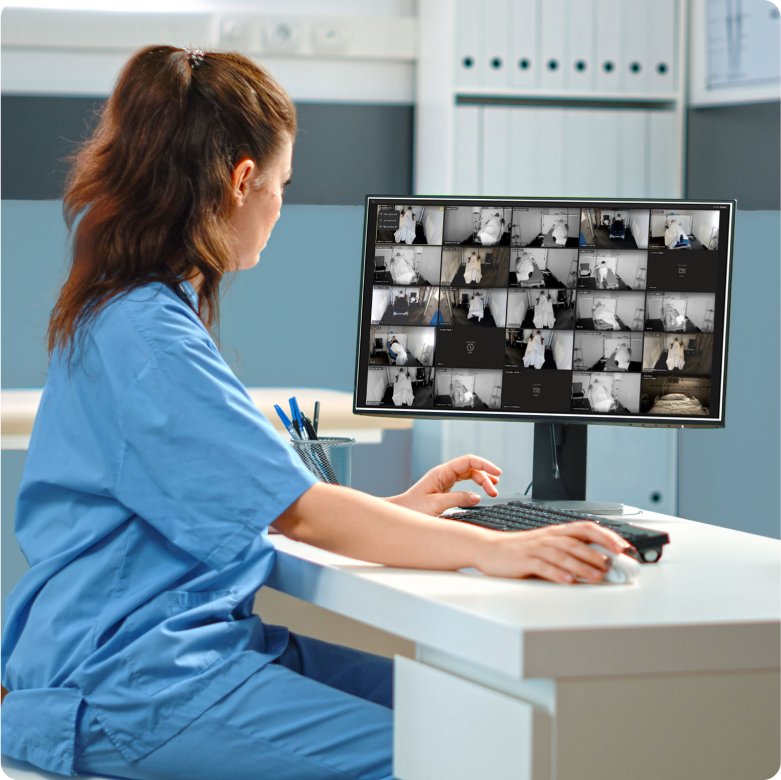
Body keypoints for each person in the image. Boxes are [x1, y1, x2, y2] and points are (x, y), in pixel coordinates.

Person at [0, 46, 627, 780]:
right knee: (456, 757)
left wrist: (395, 511)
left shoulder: (124, 304)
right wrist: (494, 549)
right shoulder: (149, 336)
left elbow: (238, 498)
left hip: (154, 649)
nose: (277, 207)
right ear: (241, 180)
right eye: (280, 185)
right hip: (131, 683)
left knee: (470, 709)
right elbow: (295, 512)